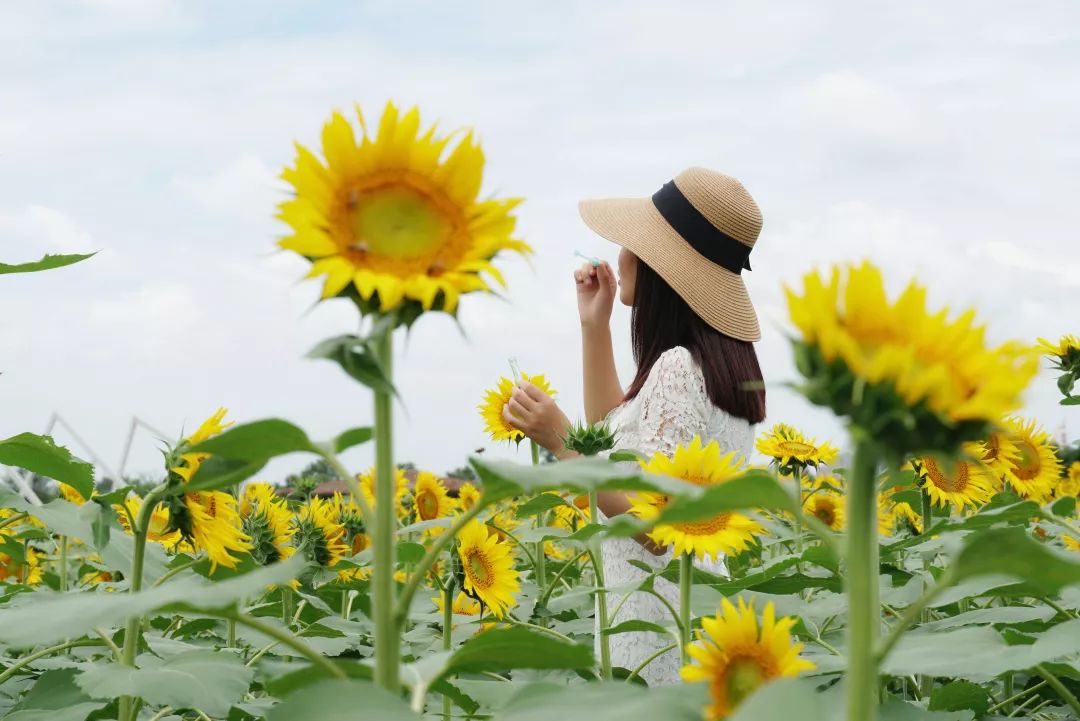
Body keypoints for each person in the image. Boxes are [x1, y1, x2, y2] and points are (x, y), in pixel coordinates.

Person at [502, 167, 767, 685]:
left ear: (659, 265)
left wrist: (560, 442)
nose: (620, 253)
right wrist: (594, 326)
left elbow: (659, 526)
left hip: (661, 627)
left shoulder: (675, 367)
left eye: (632, 244)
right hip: (692, 613)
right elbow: (618, 450)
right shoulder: (710, 365)